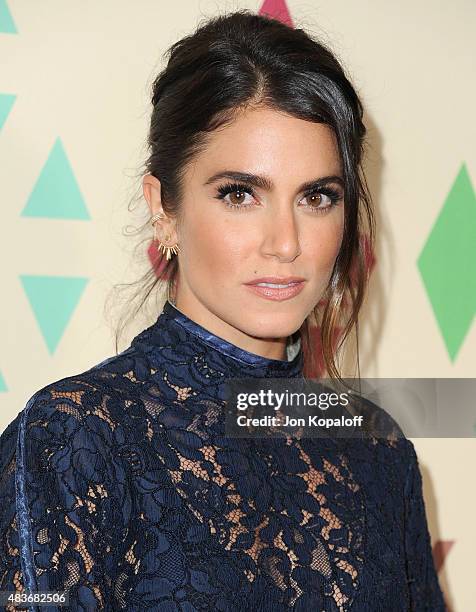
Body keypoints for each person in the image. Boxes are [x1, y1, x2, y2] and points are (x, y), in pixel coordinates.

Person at [0, 9, 445, 612]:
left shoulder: (379, 450)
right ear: (164, 207)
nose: (285, 242)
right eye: (240, 194)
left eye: (317, 197)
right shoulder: (74, 438)